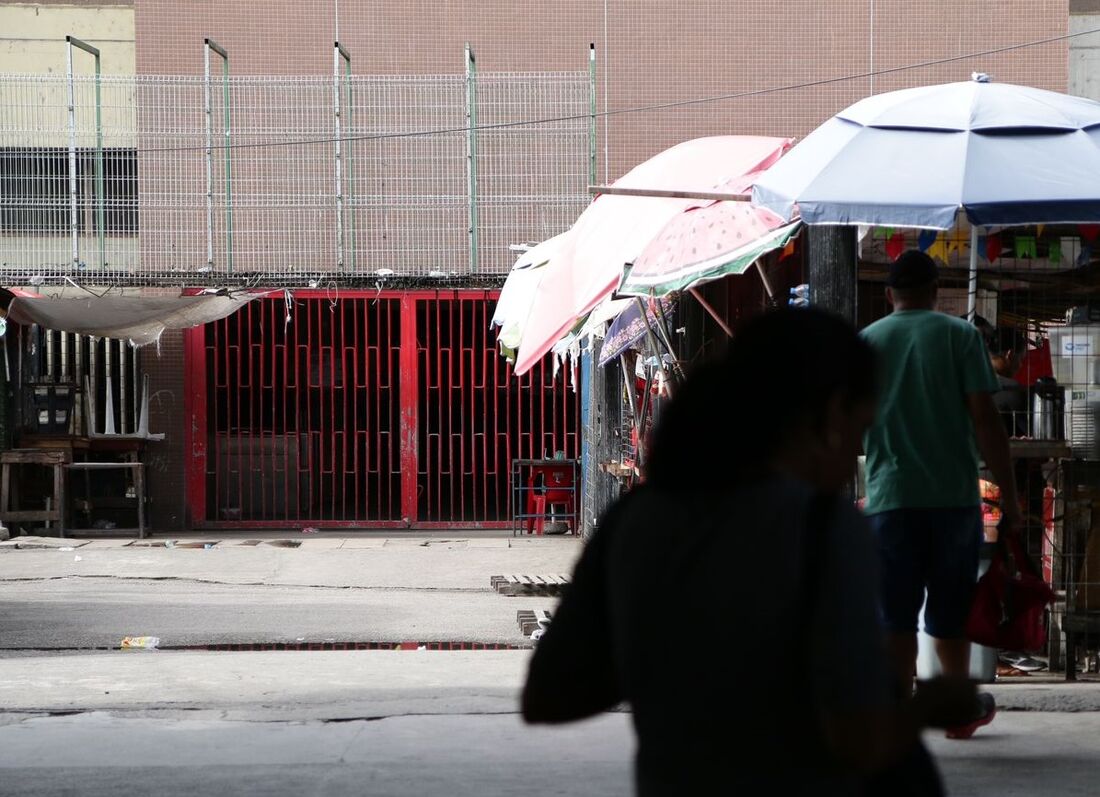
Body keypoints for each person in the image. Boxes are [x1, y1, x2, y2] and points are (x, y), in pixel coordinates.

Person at [523, 307, 976, 795]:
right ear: (828, 416)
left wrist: (666, 661)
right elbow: (859, 739)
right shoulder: (821, 527)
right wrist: (930, 707)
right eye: (859, 428)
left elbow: (549, 695)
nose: (852, 457)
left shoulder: (637, 520)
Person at [861, 250, 1023, 739]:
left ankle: (896, 713)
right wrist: (1011, 500)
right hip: (953, 499)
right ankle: (956, 712)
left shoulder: (866, 342)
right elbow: (986, 421)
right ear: (935, 293)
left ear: (890, 294)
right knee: (950, 611)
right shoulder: (961, 336)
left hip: (890, 498)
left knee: (895, 612)